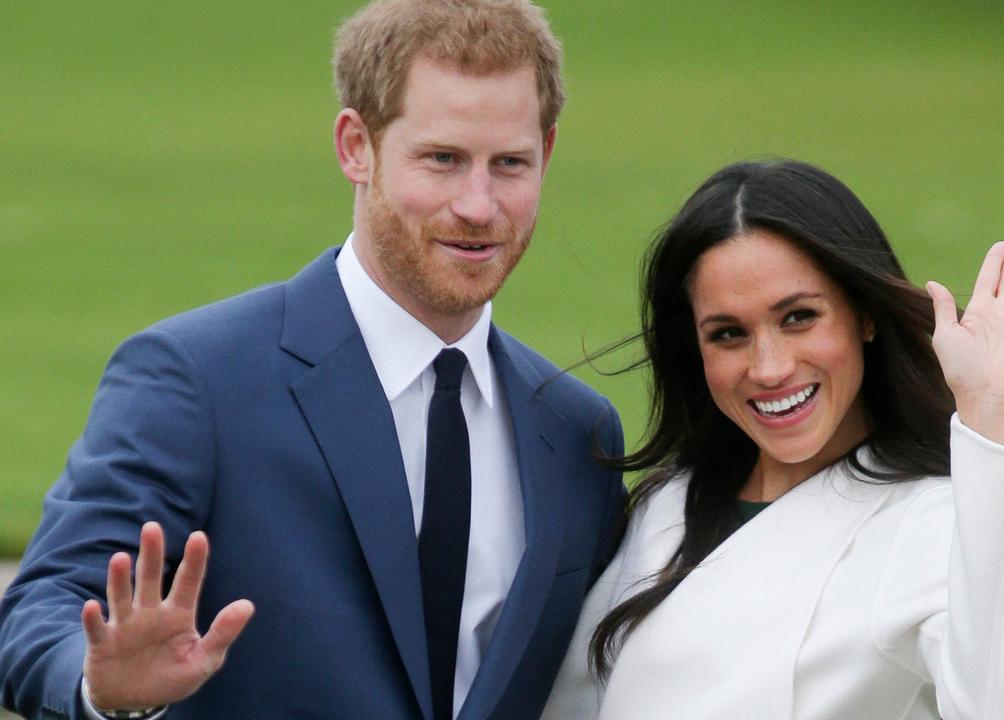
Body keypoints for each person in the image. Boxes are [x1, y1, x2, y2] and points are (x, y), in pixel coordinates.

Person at [0, 1, 625, 718]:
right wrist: (97, 686)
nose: (479, 206)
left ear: (546, 152)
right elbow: (40, 607)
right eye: (443, 159)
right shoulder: (196, 380)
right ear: (356, 145)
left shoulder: (578, 435)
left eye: (508, 164)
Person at [542, 159, 1004, 720]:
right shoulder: (667, 504)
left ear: (863, 315)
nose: (769, 369)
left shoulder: (933, 520)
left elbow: (1001, 706)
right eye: (728, 334)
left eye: (798, 317)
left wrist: (989, 413)